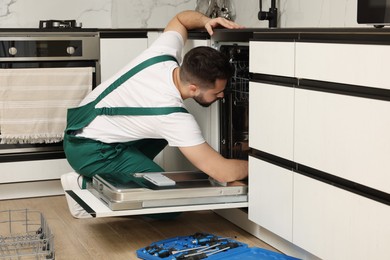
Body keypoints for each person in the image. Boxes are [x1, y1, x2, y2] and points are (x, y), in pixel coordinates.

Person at [61, 10, 248, 218]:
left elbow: (180, 19)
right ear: (193, 88)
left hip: (82, 131)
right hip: (88, 151)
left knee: (164, 139)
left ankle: (116, 175)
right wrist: (259, 166)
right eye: (217, 92)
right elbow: (221, 171)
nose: (223, 96)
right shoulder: (173, 117)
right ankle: (83, 184)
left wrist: (207, 21)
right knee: (168, 208)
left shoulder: (162, 55)